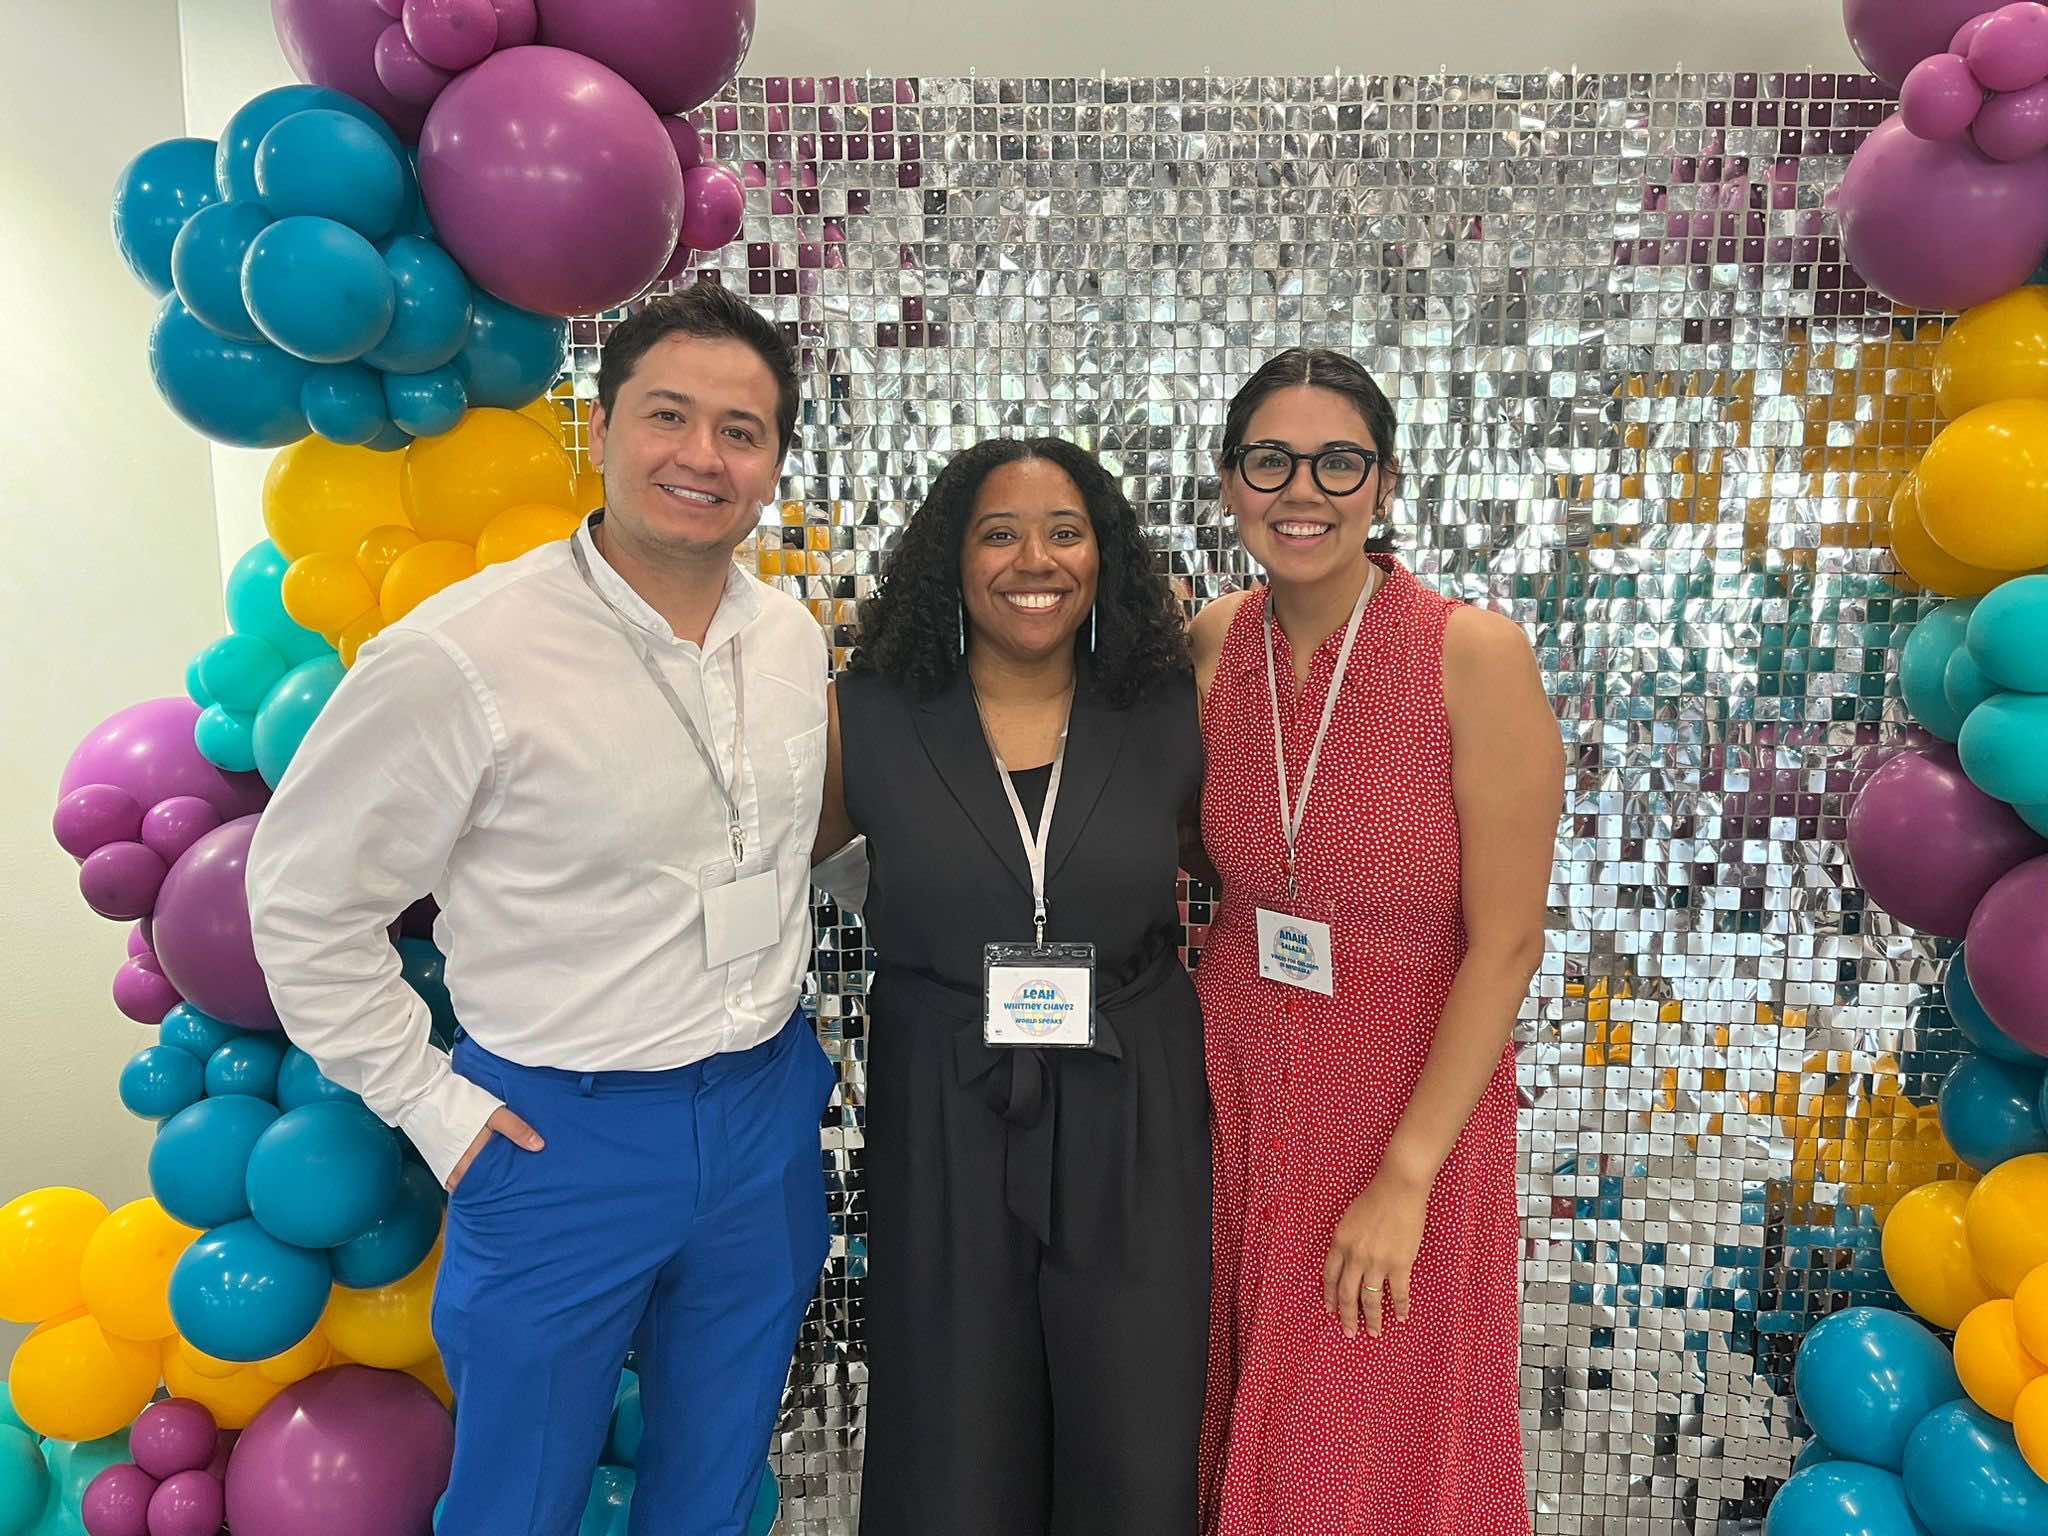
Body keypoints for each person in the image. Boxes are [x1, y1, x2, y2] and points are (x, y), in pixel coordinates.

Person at [246, 284, 837, 1536]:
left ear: (774, 459)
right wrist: (432, 1106)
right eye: (666, 415)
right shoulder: (463, 652)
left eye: (741, 430)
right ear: (599, 427)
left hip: (760, 1112)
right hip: (557, 1132)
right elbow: (301, 902)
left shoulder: (787, 639)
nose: (701, 455)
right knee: (517, 1497)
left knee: (718, 1476)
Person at [1189, 348, 1562, 1535]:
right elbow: (1206, 864)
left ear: (1384, 485)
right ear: (1230, 482)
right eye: (1270, 461)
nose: (1302, 490)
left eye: (1337, 461)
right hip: (1233, 1082)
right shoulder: (1210, 644)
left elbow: (1504, 944)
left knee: (1367, 1425)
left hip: (1405, 1097)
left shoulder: (1469, 653)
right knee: (1237, 1405)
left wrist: (1406, 1175)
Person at [812, 438, 1209, 1534]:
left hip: (1135, 1090)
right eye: (999, 532)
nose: (1033, 560)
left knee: (1133, 1430)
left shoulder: (1171, 708)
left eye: (1064, 532)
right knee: (950, 1432)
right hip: (943, 1087)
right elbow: (781, 866)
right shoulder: (870, 715)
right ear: (952, 556)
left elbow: (1240, 865)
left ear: (1104, 557)